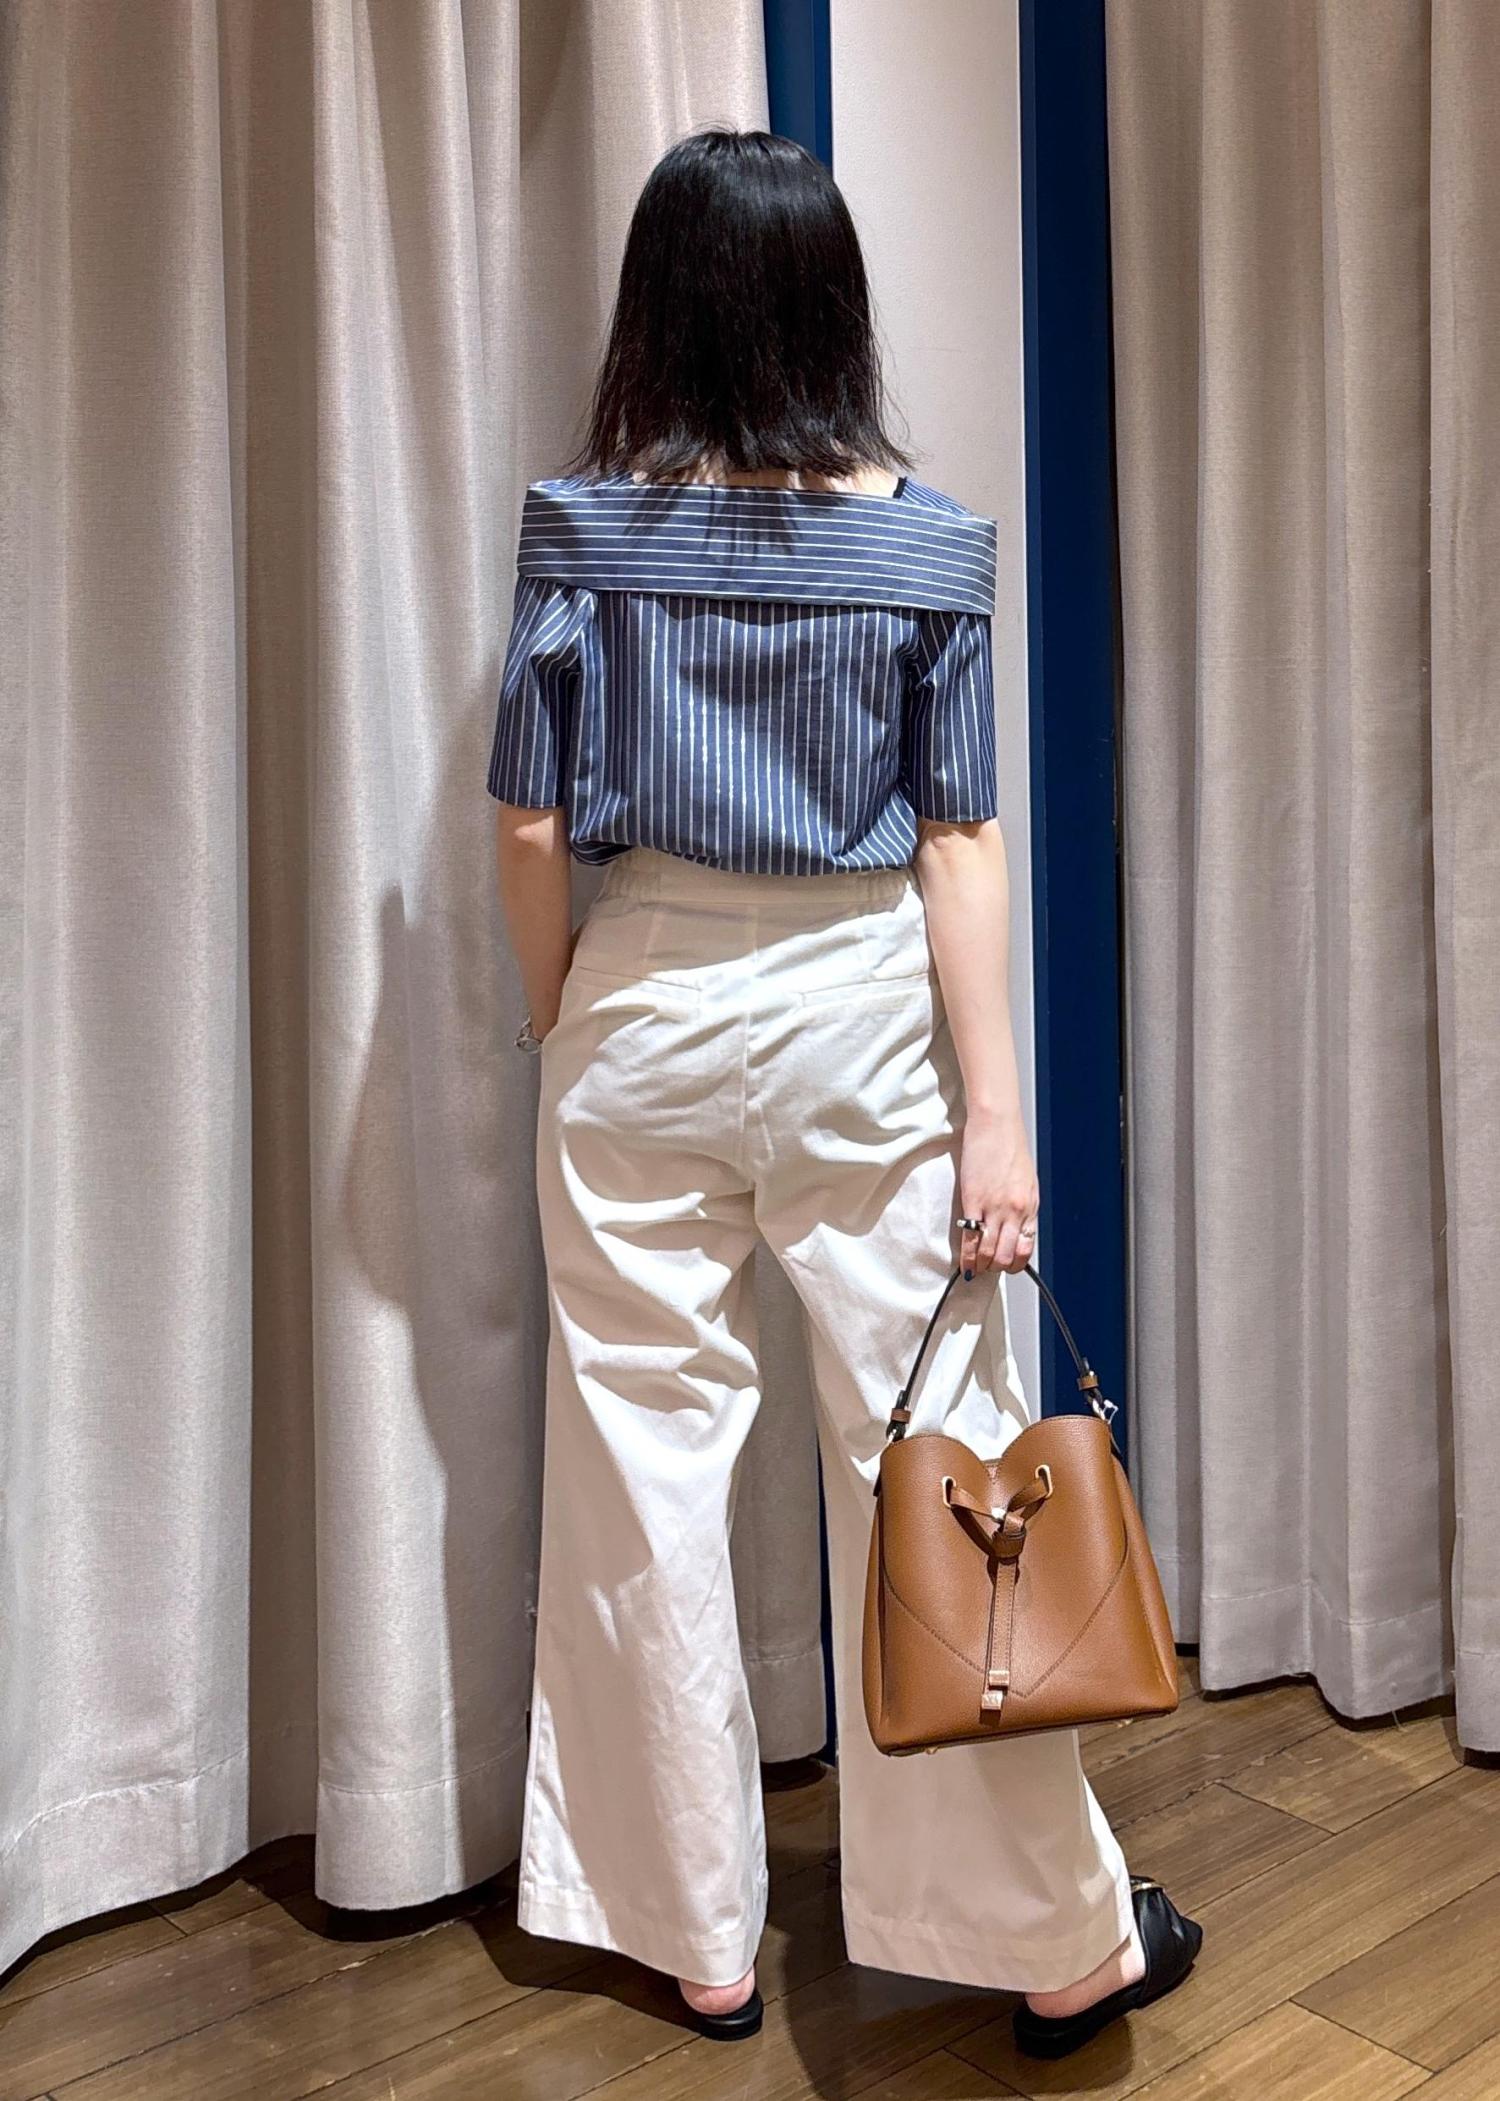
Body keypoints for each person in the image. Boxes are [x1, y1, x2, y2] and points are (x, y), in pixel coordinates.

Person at [487, 124, 1201, 2059]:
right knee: (942, 1474)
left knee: (638, 1470)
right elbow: (958, 843)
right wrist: (999, 1118)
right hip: (859, 1009)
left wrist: (565, 1015)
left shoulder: (578, 531)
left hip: (637, 992)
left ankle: (691, 1937)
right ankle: (1050, 1941)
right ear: (830, 304)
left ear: (658, 302)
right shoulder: (926, 544)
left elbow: (530, 824)